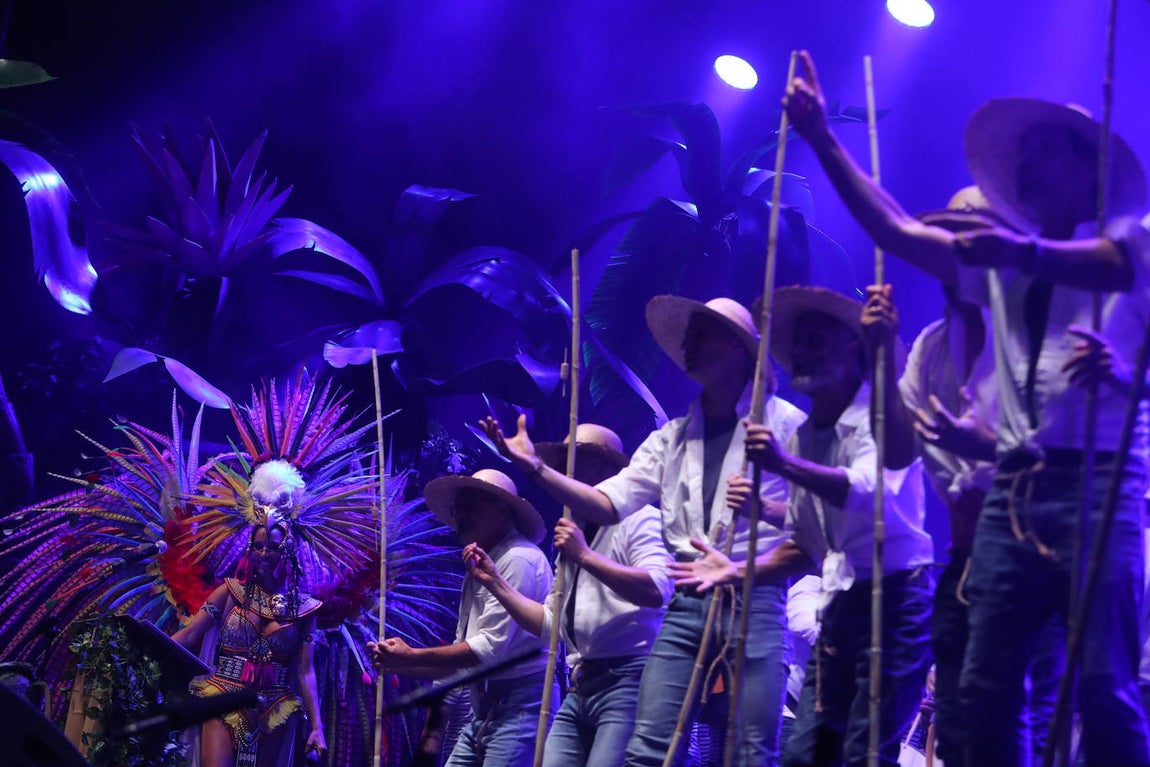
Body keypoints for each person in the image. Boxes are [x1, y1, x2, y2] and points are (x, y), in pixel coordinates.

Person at [783, 49, 1150, 766]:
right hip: (1014, 492)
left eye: (1049, 151)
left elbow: (1106, 264)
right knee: (982, 691)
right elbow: (896, 229)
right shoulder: (1000, 269)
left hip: (1099, 490)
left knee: (1105, 688)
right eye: (1025, 154)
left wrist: (1021, 252)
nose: (1030, 164)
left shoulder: (1131, 242)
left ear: (1092, 173)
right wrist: (823, 137)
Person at [482, 296, 808, 766]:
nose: (688, 345)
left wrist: (747, 552)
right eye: (688, 338)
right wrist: (536, 469)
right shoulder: (672, 437)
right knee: (651, 748)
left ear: (738, 348)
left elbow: (820, 533)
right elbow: (610, 502)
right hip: (688, 600)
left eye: (703, 336)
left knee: (753, 750)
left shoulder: (789, 427)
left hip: (755, 596)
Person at [678, 286, 934, 767]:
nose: (803, 351)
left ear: (852, 352)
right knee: (806, 753)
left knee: (865, 753)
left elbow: (864, 492)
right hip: (839, 603)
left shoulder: (881, 415)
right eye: (799, 341)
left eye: (817, 340)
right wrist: (736, 569)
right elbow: (808, 540)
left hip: (895, 601)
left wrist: (783, 465)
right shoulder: (801, 436)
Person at [465, 423, 672, 767]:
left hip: (629, 678)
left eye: (578, 459)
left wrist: (586, 557)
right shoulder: (572, 537)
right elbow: (550, 625)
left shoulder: (637, 518)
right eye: (562, 461)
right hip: (582, 683)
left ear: (609, 470)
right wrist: (495, 582)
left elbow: (657, 589)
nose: (565, 470)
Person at [370, 468, 553, 767]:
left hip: (520, 705)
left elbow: (489, 650)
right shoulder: (480, 565)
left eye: (471, 507)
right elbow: (462, 658)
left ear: (502, 509)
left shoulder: (519, 559)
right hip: (483, 706)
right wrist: (402, 663)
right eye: (458, 509)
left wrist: (413, 654)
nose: (460, 516)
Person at [173, 460, 326, 767]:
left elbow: (305, 671)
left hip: (276, 705)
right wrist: (142, 647)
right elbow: (189, 634)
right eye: (258, 547)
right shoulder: (230, 593)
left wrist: (317, 726)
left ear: (288, 549)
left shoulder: (305, 609)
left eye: (272, 546)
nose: (264, 554)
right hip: (223, 695)